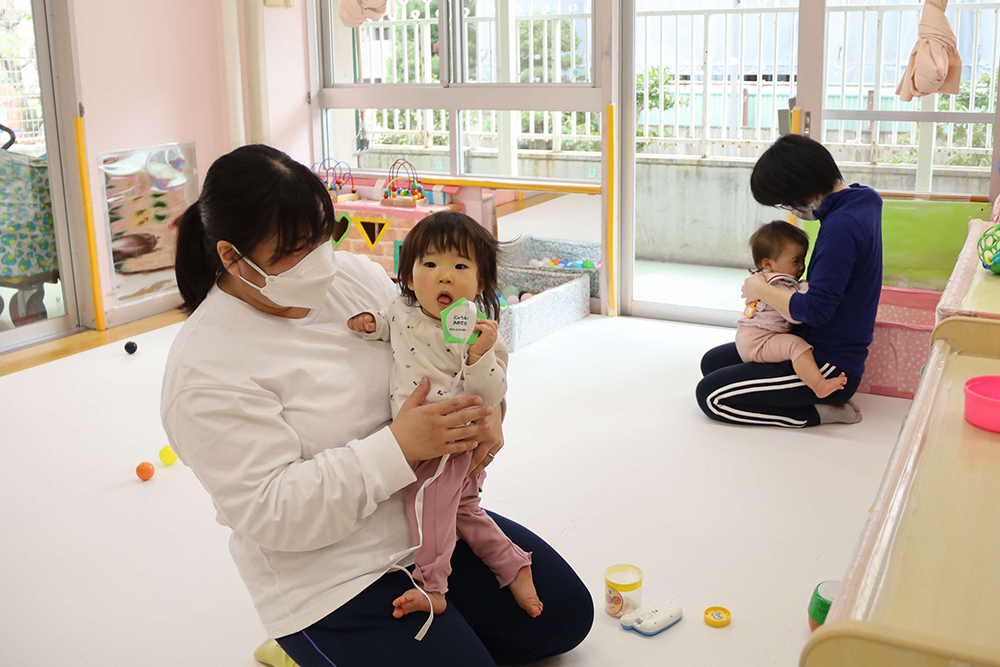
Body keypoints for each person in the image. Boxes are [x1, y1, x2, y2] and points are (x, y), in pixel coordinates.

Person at [160, 145, 593, 667]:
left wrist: (491, 414)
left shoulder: (349, 277)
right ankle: (303, 647)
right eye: (296, 249)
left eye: (324, 234)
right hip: (331, 573)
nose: (321, 257)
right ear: (233, 257)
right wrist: (399, 446)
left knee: (565, 617)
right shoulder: (206, 369)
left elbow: (443, 342)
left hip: (425, 518)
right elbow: (272, 512)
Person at [348, 212, 541, 632]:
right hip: (427, 436)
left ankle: (433, 586)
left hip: (450, 439)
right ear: (410, 278)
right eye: (430, 265)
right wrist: (369, 325)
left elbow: (492, 395)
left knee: (427, 504)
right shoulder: (400, 309)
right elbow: (387, 326)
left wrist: (479, 356)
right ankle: (513, 564)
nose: (444, 278)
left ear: (481, 283)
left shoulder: (479, 334)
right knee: (464, 509)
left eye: (460, 266)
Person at [696, 134, 883, 428]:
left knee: (711, 396)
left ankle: (819, 412)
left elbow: (815, 310)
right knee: (713, 363)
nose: (791, 210)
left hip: (828, 364)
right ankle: (804, 396)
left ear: (804, 190)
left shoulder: (840, 227)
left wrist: (761, 289)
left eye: (786, 202)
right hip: (811, 344)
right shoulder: (864, 199)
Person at [736, 220, 847, 399]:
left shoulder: (765, 278)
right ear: (769, 264)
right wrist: (805, 287)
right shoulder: (779, 283)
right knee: (796, 346)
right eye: (796, 261)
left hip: (750, 337)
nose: (802, 267)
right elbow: (795, 314)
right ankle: (818, 385)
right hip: (759, 341)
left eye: (803, 259)